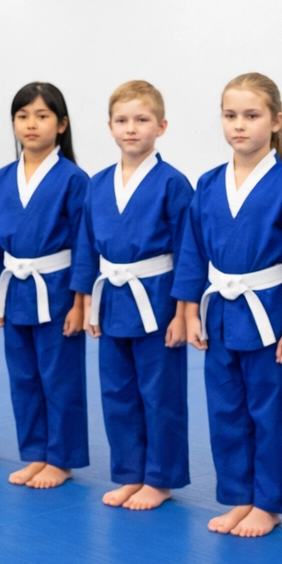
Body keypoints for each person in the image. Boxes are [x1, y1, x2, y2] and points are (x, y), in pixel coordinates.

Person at [172, 73, 282, 538]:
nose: (239, 125)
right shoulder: (209, 183)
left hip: (270, 314)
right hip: (221, 315)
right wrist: (189, 310)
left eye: (251, 116)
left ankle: (269, 503)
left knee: (270, 413)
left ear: (275, 120)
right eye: (230, 116)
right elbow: (192, 251)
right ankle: (239, 494)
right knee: (227, 411)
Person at [74, 81, 194, 510]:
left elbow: (187, 251)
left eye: (141, 120)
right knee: (118, 392)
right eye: (122, 120)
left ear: (160, 126)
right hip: (112, 301)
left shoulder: (174, 184)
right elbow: (86, 245)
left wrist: (183, 313)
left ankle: (159, 479)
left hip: (157, 298)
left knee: (160, 393)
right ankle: (129, 472)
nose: (131, 129)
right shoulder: (98, 183)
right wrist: (85, 301)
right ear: (109, 127)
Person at [0, 82, 92, 489]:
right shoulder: (1, 178)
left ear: (61, 124)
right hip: (15, 290)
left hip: (56, 289)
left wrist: (80, 302)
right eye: (23, 116)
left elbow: (84, 243)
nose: (31, 124)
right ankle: (36, 453)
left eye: (42, 116)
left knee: (60, 376)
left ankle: (61, 458)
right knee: (23, 377)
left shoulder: (75, 179)